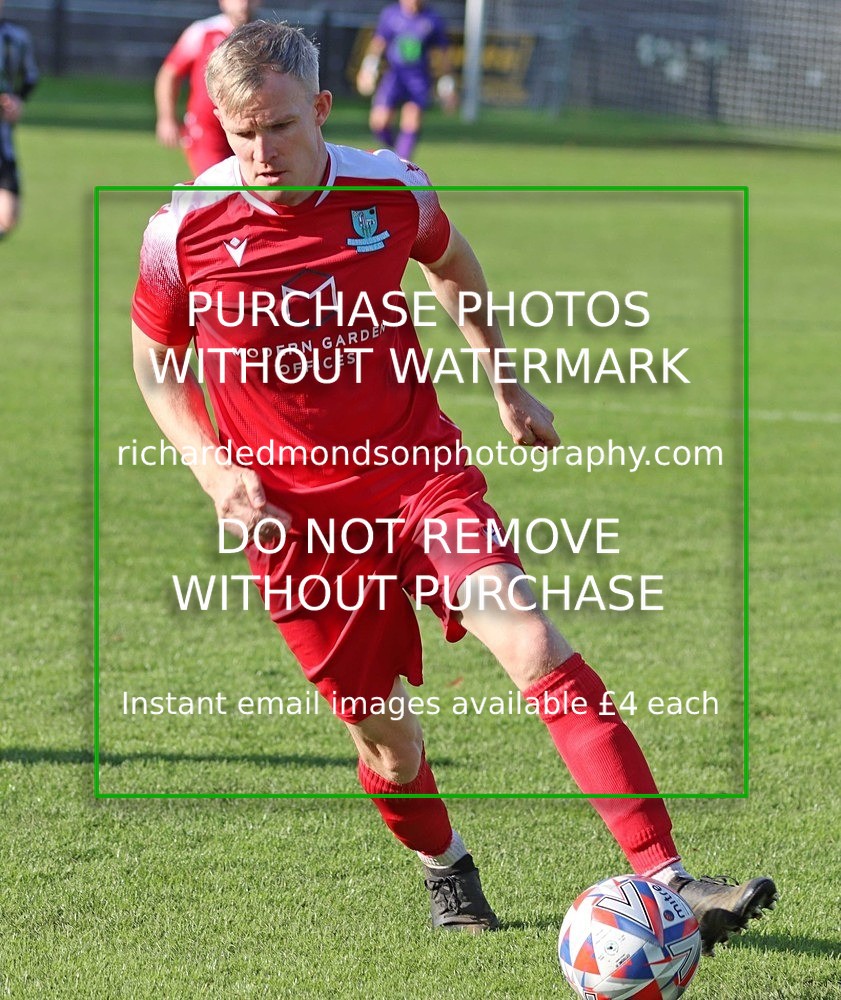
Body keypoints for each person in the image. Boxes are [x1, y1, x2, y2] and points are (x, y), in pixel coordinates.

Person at [131, 21, 777, 952]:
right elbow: (154, 361)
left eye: (275, 128)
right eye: (238, 134)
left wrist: (504, 380)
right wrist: (210, 464)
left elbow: (452, 263)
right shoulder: (182, 228)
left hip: (416, 476)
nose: (258, 153)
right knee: (387, 743)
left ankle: (672, 881)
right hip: (293, 520)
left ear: (318, 108)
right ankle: (447, 869)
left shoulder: (388, 189)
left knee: (532, 641)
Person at [155, 0, 260, 177]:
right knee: (217, 189)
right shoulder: (203, 32)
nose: (243, 5)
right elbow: (169, 74)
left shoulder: (265, 36)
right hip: (208, 130)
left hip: (252, 128)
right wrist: (167, 118)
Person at [356, 0, 457, 160]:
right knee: (379, 123)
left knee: (412, 120)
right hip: (394, 76)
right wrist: (367, 69)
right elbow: (378, 43)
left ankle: (402, 164)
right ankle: (394, 154)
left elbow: (442, 54)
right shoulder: (390, 15)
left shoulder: (433, 19)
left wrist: (447, 85)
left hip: (418, 78)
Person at [0, 0, 39, 241]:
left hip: (3, 136)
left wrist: (17, 100)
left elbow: (30, 77)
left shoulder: (16, 38)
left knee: (9, 216)